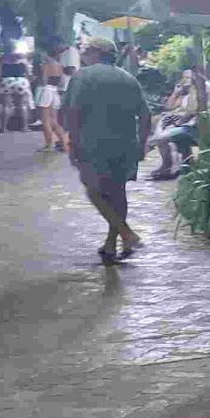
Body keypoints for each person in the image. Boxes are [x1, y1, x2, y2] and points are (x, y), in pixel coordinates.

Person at [63, 38, 150, 264]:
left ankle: (127, 233)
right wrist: (141, 145)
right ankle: (111, 245)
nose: (83, 54)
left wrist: (72, 141)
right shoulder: (128, 78)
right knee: (117, 192)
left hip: (93, 144)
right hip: (126, 145)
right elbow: (145, 115)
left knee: (94, 191)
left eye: (85, 50)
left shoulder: (82, 76)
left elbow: (72, 112)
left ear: (96, 53)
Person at [145, 68, 210, 180]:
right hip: (190, 123)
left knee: (161, 138)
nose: (186, 80)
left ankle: (167, 167)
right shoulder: (191, 89)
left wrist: (176, 124)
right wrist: (176, 93)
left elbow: (190, 112)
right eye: (184, 78)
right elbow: (170, 107)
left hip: (200, 125)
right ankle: (186, 166)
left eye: (188, 77)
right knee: (163, 123)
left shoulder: (202, 87)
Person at [35, 46, 69, 151]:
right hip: (55, 91)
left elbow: (44, 80)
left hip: (45, 91)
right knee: (54, 120)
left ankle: (49, 144)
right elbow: (62, 82)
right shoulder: (60, 66)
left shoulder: (45, 65)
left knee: (45, 120)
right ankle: (64, 143)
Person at [0, 42, 32, 133]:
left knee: (6, 106)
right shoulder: (23, 59)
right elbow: (28, 74)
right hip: (21, 81)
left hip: (7, 81)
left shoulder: (2, 60)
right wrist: (28, 82)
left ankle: (3, 128)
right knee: (23, 106)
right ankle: (24, 127)